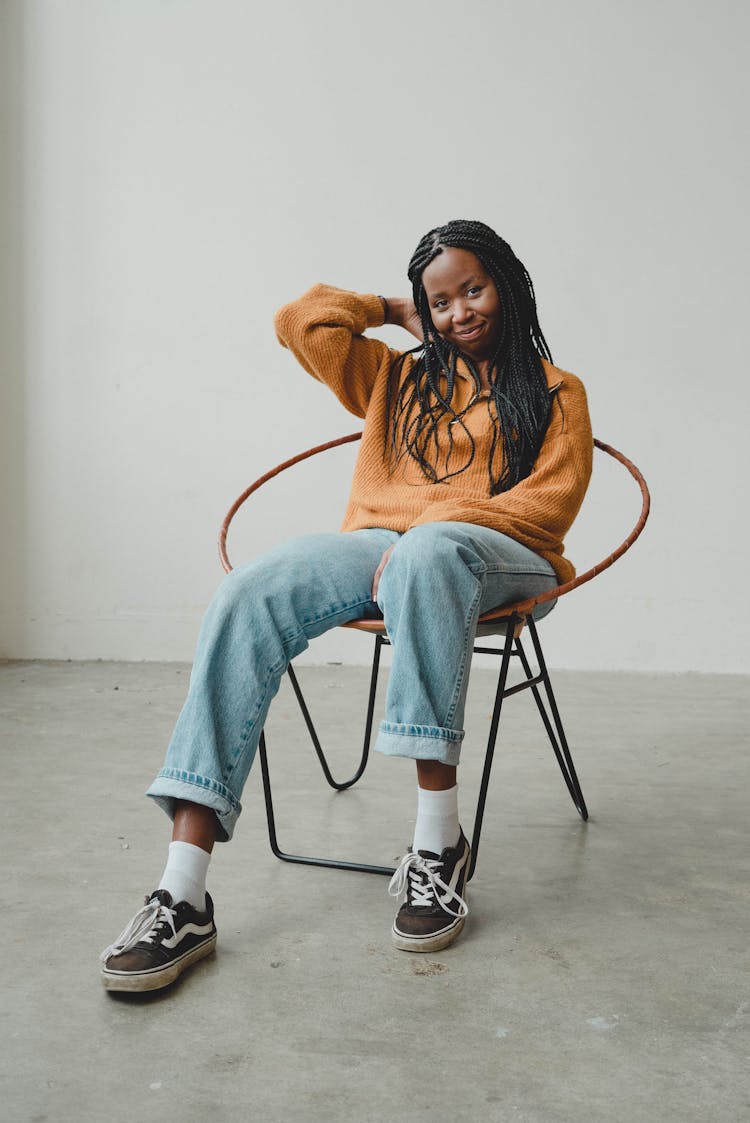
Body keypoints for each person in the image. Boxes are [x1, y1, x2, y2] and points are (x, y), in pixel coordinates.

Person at [100, 219, 593, 991]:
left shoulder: (560, 393)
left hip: (504, 553)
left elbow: (550, 507)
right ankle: (183, 889)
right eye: (442, 300)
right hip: (384, 547)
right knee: (248, 590)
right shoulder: (398, 377)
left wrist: (436, 529)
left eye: (473, 287)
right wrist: (394, 309)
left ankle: (438, 846)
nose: (460, 310)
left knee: (429, 555)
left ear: (508, 282)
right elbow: (299, 323)